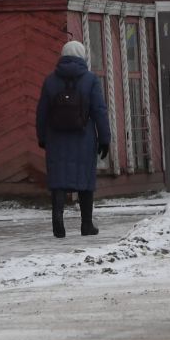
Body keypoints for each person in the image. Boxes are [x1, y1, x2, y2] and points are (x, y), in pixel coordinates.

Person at [36, 39, 111, 238]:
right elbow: (99, 111)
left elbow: (42, 112)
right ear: (82, 56)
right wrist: (105, 138)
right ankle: (86, 225)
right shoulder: (90, 80)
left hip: (56, 137)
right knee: (85, 180)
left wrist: (42, 137)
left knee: (58, 181)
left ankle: (58, 221)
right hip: (83, 137)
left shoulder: (50, 81)